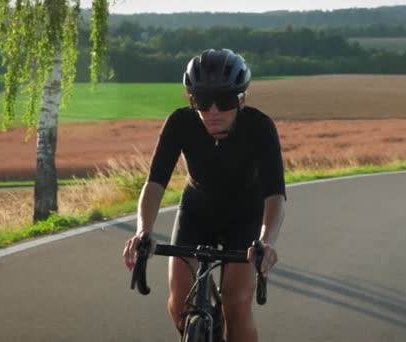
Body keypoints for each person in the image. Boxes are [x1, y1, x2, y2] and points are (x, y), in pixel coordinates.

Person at [123, 48, 286, 342]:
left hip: (245, 216)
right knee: (178, 302)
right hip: (196, 211)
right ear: (191, 100)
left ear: (241, 99)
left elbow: (275, 194)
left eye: (223, 101)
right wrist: (143, 232)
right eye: (201, 100)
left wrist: (266, 241)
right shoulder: (180, 123)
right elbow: (155, 183)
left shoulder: (259, 127)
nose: (212, 111)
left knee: (236, 306)